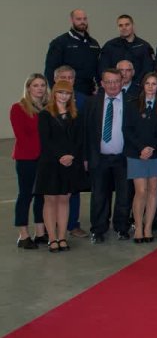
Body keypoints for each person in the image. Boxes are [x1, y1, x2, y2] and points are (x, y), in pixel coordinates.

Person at [35, 80, 83, 253]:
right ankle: (52, 238)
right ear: (54, 93)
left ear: (71, 95)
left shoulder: (75, 115)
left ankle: (62, 237)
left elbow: (79, 139)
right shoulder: (45, 114)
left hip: (70, 163)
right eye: (61, 92)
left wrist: (71, 155)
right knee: (50, 201)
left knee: (64, 200)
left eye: (67, 93)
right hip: (50, 163)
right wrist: (60, 156)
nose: (64, 96)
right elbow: (45, 140)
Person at [84, 69, 131, 243]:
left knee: (124, 195)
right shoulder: (91, 102)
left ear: (122, 82)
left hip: (123, 157)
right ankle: (98, 229)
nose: (112, 85)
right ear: (102, 84)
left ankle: (122, 227)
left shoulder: (131, 101)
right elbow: (85, 131)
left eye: (116, 81)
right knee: (99, 195)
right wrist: (86, 157)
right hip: (99, 157)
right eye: (108, 82)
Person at [124, 72, 157, 244]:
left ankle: (148, 227)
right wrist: (142, 148)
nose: (150, 87)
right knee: (141, 191)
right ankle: (138, 227)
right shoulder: (132, 104)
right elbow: (127, 129)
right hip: (136, 154)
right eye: (147, 83)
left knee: (153, 191)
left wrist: (152, 147)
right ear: (143, 85)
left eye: (154, 84)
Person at [10, 74, 49, 249]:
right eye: (35, 85)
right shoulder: (18, 108)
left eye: (42, 85)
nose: (39, 88)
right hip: (27, 158)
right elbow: (21, 136)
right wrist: (40, 152)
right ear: (28, 88)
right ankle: (23, 235)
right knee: (25, 195)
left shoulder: (48, 107)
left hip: (45, 159)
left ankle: (40, 232)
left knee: (41, 196)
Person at [52, 66, 88, 238]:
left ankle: (73, 224)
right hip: (53, 156)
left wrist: (79, 154)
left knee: (73, 191)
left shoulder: (83, 100)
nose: (66, 80)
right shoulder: (47, 101)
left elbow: (85, 130)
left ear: (74, 80)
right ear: (55, 80)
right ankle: (51, 226)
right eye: (62, 77)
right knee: (52, 192)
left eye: (70, 77)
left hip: (75, 154)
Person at [44, 9, 100, 96]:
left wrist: (99, 88)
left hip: (90, 93)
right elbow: (50, 70)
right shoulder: (60, 42)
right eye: (78, 19)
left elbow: (98, 69)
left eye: (84, 19)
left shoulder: (93, 44)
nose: (82, 22)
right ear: (72, 20)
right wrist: (55, 92)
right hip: (67, 93)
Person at [100, 15, 154, 83]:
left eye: (127, 25)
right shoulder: (109, 46)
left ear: (133, 26)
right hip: (114, 86)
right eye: (120, 25)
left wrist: (136, 85)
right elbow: (103, 69)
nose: (124, 28)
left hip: (138, 86)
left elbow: (148, 69)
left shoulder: (144, 46)